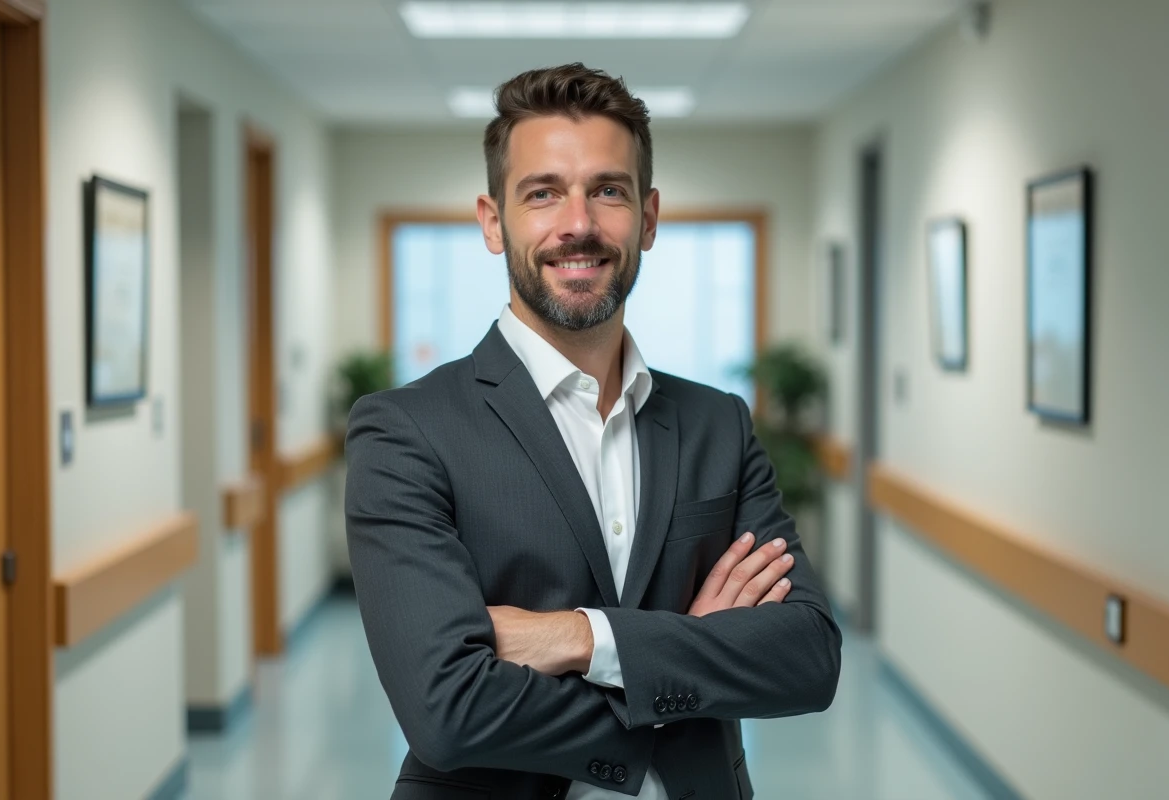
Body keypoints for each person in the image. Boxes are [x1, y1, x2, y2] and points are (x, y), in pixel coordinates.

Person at [345, 63, 842, 800]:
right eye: (542, 193)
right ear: (493, 221)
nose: (577, 224)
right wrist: (685, 665)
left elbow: (808, 657)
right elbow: (447, 710)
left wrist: (577, 638)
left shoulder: (717, 425)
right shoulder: (406, 431)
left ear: (648, 217)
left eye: (608, 190)